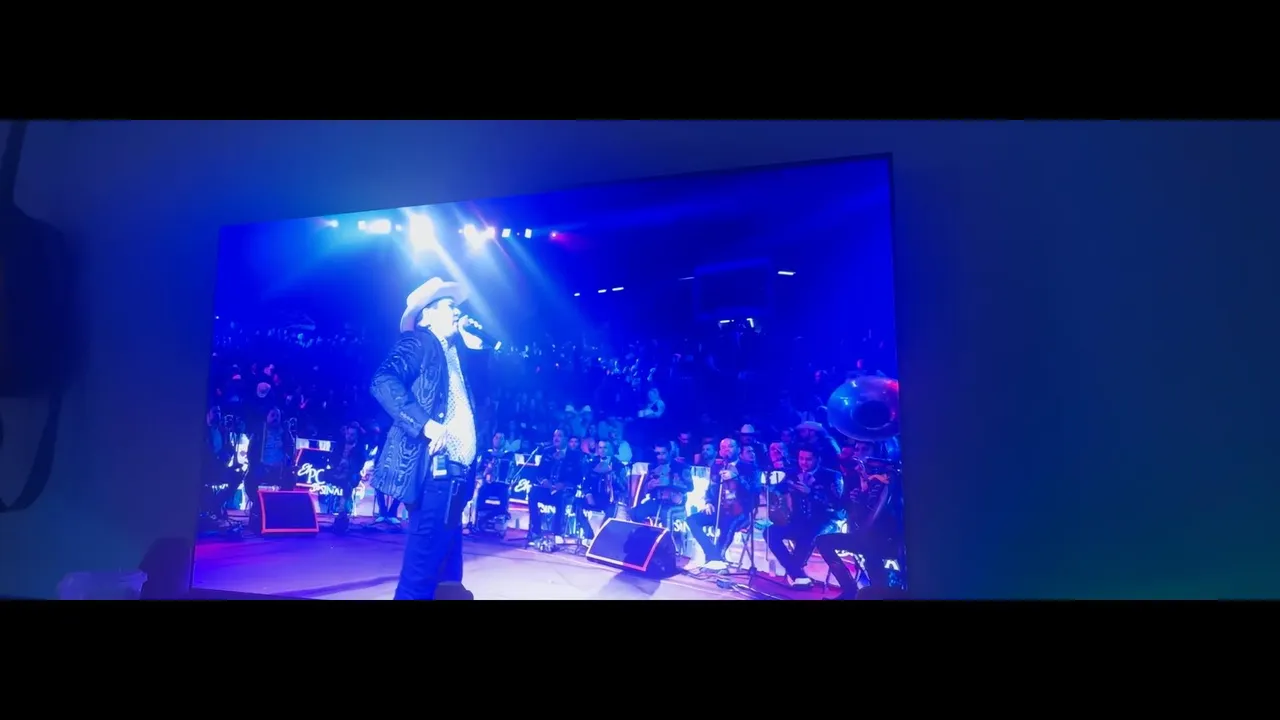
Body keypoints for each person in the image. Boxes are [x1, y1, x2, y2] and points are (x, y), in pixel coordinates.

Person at [369, 277, 485, 600]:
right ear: (427, 316)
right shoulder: (419, 342)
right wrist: (425, 425)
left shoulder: (454, 354)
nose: (457, 312)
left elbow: (479, 399)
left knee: (448, 582)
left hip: (456, 481)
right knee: (420, 578)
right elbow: (382, 380)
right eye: (449, 306)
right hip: (435, 476)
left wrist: (477, 348)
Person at [816, 458, 903, 600]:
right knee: (823, 542)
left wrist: (867, 491)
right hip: (865, 536)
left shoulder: (889, 479)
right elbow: (851, 512)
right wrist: (859, 498)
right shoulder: (860, 481)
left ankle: (879, 593)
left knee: (870, 547)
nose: (860, 467)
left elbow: (877, 515)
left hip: (887, 539)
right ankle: (850, 589)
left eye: (863, 450)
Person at [766, 445, 843, 588]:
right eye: (801, 458)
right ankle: (798, 574)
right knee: (770, 532)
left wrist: (811, 493)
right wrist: (776, 487)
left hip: (825, 521)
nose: (804, 462)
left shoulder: (831, 476)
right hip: (798, 521)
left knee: (809, 535)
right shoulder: (792, 474)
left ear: (817, 459)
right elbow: (776, 491)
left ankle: (796, 574)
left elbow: (838, 506)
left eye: (808, 459)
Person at [687, 438, 757, 571]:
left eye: (730, 447)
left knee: (727, 523)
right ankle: (713, 555)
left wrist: (736, 477)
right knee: (692, 520)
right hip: (719, 508)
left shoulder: (748, 468)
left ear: (738, 450)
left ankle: (716, 559)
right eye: (723, 447)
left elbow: (754, 491)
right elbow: (710, 488)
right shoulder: (717, 466)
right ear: (720, 451)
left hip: (740, 512)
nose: (726, 450)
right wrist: (708, 502)